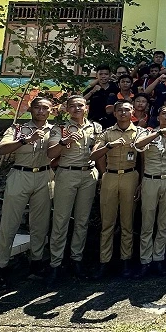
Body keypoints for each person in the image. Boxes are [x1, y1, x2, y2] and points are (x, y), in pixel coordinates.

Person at [0, 97, 57, 288]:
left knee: (40, 223)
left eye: (45, 108)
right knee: (9, 223)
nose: (41, 111)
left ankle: (36, 262)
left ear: (51, 111)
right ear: (31, 109)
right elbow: (1, 150)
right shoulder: (17, 129)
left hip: (44, 175)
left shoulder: (55, 130)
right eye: (37, 108)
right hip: (20, 174)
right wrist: (24, 140)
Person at [46, 95, 101, 283]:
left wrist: (102, 175)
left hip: (89, 175)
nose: (77, 108)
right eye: (73, 106)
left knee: (82, 220)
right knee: (60, 219)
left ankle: (76, 259)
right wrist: (63, 142)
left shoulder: (95, 127)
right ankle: (55, 262)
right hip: (67, 174)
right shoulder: (59, 128)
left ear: (86, 107)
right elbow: (50, 154)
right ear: (67, 109)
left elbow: (99, 153)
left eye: (80, 105)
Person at [91, 101, 143, 278]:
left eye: (127, 110)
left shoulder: (139, 132)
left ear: (132, 112)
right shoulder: (107, 133)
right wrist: (109, 147)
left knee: (127, 222)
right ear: (114, 113)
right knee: (107, 222)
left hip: (131, 176)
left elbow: (144, 159)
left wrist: (141, 182)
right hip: (110, 176)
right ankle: (104, 261)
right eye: (119, 110)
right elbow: (94, 155)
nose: (123, 113)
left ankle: (126, 260)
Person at [132, 106, 166, 277]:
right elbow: (138, 146)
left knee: (164, 223)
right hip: (150, 180)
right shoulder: (148, 133)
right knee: (147, 222)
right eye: (164, 113)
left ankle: (159, 259)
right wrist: (159, 133)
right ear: (158, 116)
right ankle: (145, 261)